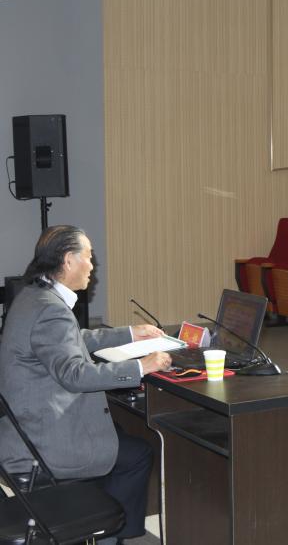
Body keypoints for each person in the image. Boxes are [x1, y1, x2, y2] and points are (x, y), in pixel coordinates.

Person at [0, 226, 172, 543]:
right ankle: (108, 533)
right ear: (68, 260)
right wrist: (141, 366)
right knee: (137, 454)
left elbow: (70, 339)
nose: (93, 266)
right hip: (43, 442)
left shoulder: (33, 296)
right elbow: (75, 374)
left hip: (27, 427)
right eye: (89, 257)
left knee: (117, 435)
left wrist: (130, 333)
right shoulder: (50, 309)